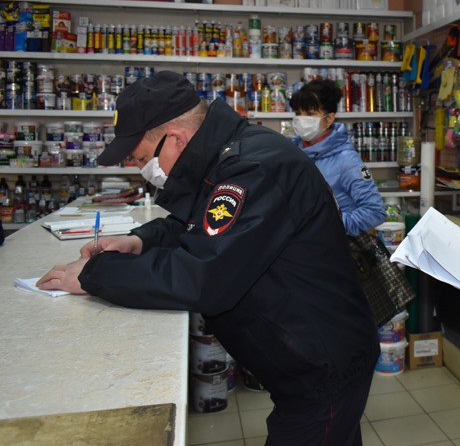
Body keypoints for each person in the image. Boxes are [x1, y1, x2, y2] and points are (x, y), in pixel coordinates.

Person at [37, 70, 379, 446]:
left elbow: (201, 275)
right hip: (307, 356)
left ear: (176, 139)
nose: (140, 170)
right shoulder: (229, 155)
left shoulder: (253, 168)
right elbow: (202, 225)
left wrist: (94, 273)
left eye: (140, 159)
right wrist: (139, 242)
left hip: (321, 368)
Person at [288, 79, 386, 236]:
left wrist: (326, 225)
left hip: (331, 250)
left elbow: (374, 212)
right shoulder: (291, 152)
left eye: (310, 114)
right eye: (298, 114)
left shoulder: (346, 160)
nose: (301, 120)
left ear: (329, 118)